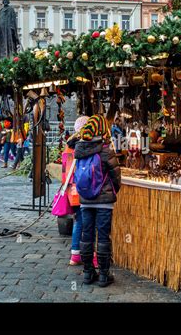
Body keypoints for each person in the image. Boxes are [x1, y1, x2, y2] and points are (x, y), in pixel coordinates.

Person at [74, 115, 121, 287]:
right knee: (103, 236)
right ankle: (103, 275)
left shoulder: (79, 149)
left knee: (86, 235)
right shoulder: (106, 149)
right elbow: (116, 176)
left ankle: (87, 273)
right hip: (104, 202)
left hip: (85, 201)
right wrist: (112, 191)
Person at [62, 116, 89, 265]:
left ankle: (75, 254)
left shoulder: (69, 144)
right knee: (85, 222)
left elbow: (64, 169)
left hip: (72, 189)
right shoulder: (84, 144)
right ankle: (86, 255)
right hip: (82, 188)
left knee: (78, 221)